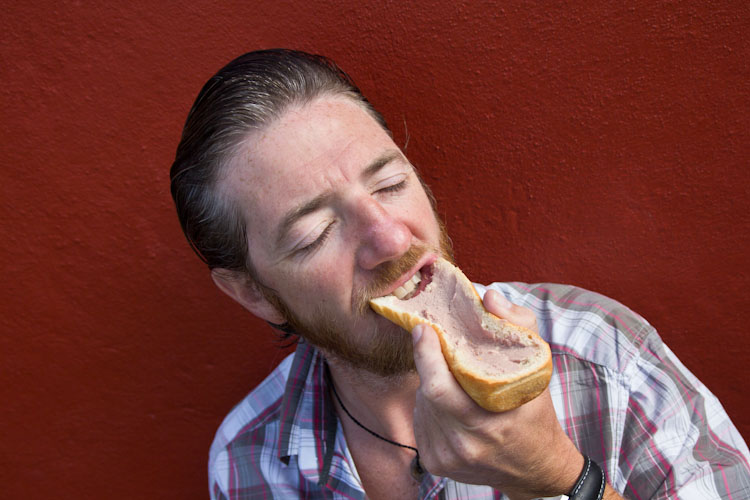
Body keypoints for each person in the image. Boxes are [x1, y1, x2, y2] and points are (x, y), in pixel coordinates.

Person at [169, 49, 750, 500]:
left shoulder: (604, 360)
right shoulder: (250, 457)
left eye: (391, 184)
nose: (393, 238)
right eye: (315, 233)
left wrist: (556, 476)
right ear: (253, 293)